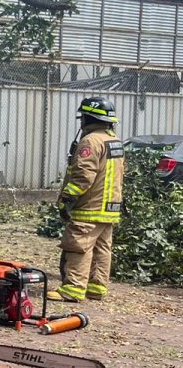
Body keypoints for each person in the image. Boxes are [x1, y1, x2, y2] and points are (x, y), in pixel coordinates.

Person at [48, 96, 125, 303]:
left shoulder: (90, 141)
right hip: (109, 208)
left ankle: (73, 289)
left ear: (88, 118)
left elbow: (83, 175)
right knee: (102, 248)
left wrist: (67, 199)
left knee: (78, 245)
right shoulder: (113, 141)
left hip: (90, 207)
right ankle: (96, 288)